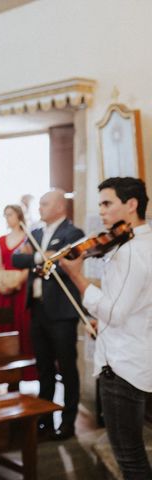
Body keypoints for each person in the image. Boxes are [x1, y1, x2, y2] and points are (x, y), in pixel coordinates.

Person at [60, 177, 152, 478]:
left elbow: (115, 311)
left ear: (132, 204)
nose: (101, 211)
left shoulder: (130, 250)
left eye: (107, 203)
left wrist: (77, 278)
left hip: (122, 364)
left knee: (129, 456)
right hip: (139, 354)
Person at [12, 189, 85, 441]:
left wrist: (45, 260)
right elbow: (16, 258)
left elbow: (65, 264)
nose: (40, 207)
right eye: (40, 203)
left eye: (44, 203)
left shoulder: (73, 233)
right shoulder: (35, 234)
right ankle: (44, 418)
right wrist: (37, 257)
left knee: (66, 368)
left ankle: (68, 423)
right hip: (38, 310)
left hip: (62, 312)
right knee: (43, 368)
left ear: (59, 207)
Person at [0, 205, 36, 380]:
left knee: (22, 328)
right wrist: (2, 283)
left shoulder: (28, 239)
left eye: (10, 214)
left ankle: (24, 372)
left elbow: (32, 263)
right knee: (3, 328)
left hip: (22, 289)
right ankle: (2, 372)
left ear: (19, 216)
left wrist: (19, 280)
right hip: (4, 290)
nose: (7, 218)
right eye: (5, 215)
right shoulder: (1, 240)